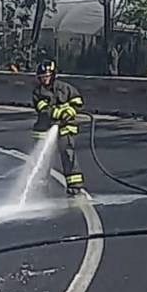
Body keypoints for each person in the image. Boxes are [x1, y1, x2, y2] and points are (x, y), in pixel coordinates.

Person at [32, 59, 85, 196]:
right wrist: (59, 113)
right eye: (42, 77)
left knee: (68, 156)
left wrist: (70, 112)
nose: (45, 80)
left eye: (47, 76)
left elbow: (78, 101)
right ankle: (41, 186)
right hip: (46, 130)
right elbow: (43, 110)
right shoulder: (38, 92)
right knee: (43, 159)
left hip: (65, 129)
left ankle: (74, 185)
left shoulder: (65, 88)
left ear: (53, 75)